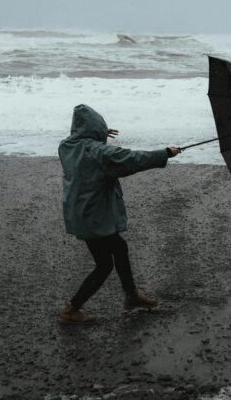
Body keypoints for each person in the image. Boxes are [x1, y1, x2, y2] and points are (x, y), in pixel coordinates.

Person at [57, 104, 181, 324]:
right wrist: (165, 153)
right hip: (93, 215)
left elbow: (88, 147)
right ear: (94, 129)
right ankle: (71, 309)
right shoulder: (97, 152)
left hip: (81, 212)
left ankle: (131, 295)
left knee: (119, 247)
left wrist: (99, 134)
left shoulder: (67, 147)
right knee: (104, 265)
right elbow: (131, 159)